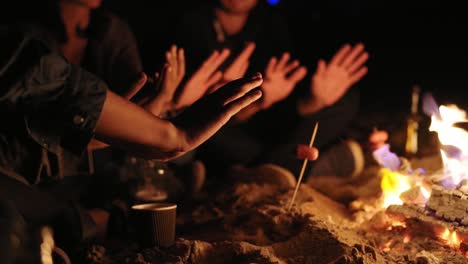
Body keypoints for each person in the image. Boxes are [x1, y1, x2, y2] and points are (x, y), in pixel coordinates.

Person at [0, 25, 267, 259]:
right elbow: (33, 72)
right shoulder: (31, 30)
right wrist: (167, 133)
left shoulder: (110, 29)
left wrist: (115, 128)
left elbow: (29, 128)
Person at [173, 0, 369, 183]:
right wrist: (256, 100)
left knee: (345, 101)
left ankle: (265, 170)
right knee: (207, 133)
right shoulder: (186, 21)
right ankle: (297, 169)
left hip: (266, 129)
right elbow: (179, 114)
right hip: (216, 131)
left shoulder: (275, 23)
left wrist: (313, 102)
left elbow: (281, 114)